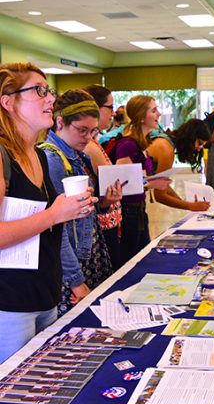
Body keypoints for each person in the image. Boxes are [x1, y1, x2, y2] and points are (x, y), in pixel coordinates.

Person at [0, 63, 96, 363]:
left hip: (45, 293)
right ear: (8, 101)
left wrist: (71, 211)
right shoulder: (2, 155)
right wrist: (55, 214)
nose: (50, 99)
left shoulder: (39, 154)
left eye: (49, 91)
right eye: (39, 91)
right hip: (10, 301)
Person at [41, 89, 121, 315]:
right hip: (73, 261)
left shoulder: (78, 155)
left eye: (93, 131)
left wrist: (104, 202)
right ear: (59, 122)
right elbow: (58, 228)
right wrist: (75, 278)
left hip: (88, 251)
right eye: (82, 130)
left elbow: (81, 213)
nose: (88, 137)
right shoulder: (53, 159)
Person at [114, 95, 171, 265]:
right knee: (132, 261)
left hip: (138, 210)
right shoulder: (127, 145)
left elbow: (140, 178)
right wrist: (153, 183)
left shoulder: (141, 143)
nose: (159, 114)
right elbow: (122, 184)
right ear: (140, 116)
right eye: (153, 110)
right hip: (128, 213)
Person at [82, 84, 122, 271]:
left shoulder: (94, 142)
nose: (113, 113)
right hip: (102, 226)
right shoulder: (90, 146)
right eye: (110, 107)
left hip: (106, 220)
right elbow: (113, 181)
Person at [147, 119, 211, 211]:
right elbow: (160, 195)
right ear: (191, 137)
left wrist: (186, 204)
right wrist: (190, 206)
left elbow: (163, 186)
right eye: (199, 143)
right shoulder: (166, 149)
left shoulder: (167, 142)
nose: (198, 149)